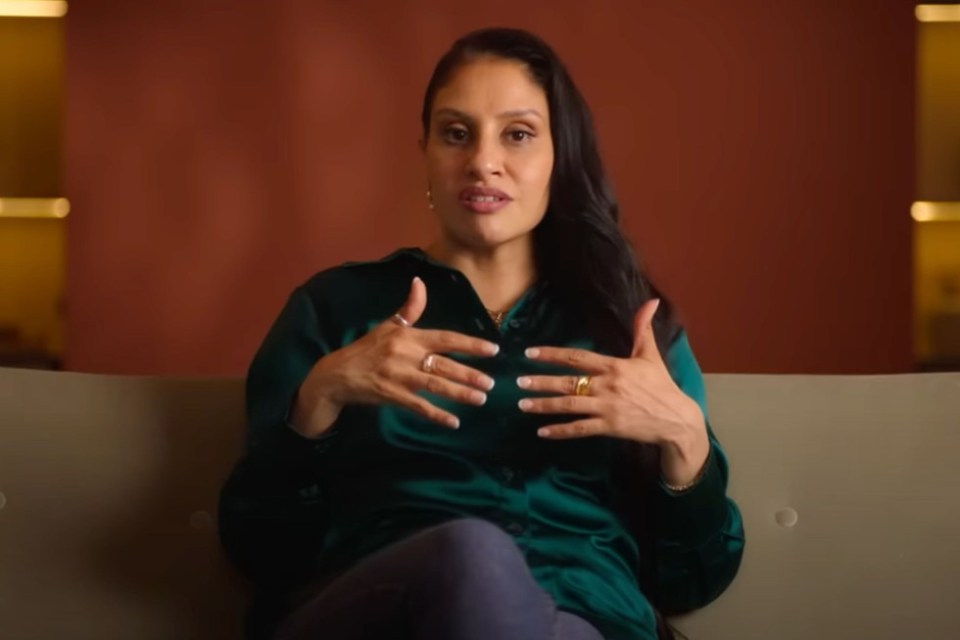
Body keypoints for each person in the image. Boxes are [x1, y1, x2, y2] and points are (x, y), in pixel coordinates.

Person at [218, 27, 745, 640]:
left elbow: (691, 583)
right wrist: (318, 400)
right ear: (426, 152)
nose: (482, 161)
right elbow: (261, 554)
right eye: (456, 133)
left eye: (517, 134)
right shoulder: (335, 310)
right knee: (472, 555)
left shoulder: (630, 328)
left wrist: (684, 442)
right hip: (377, 615)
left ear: (560, 156)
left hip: (584, 620)